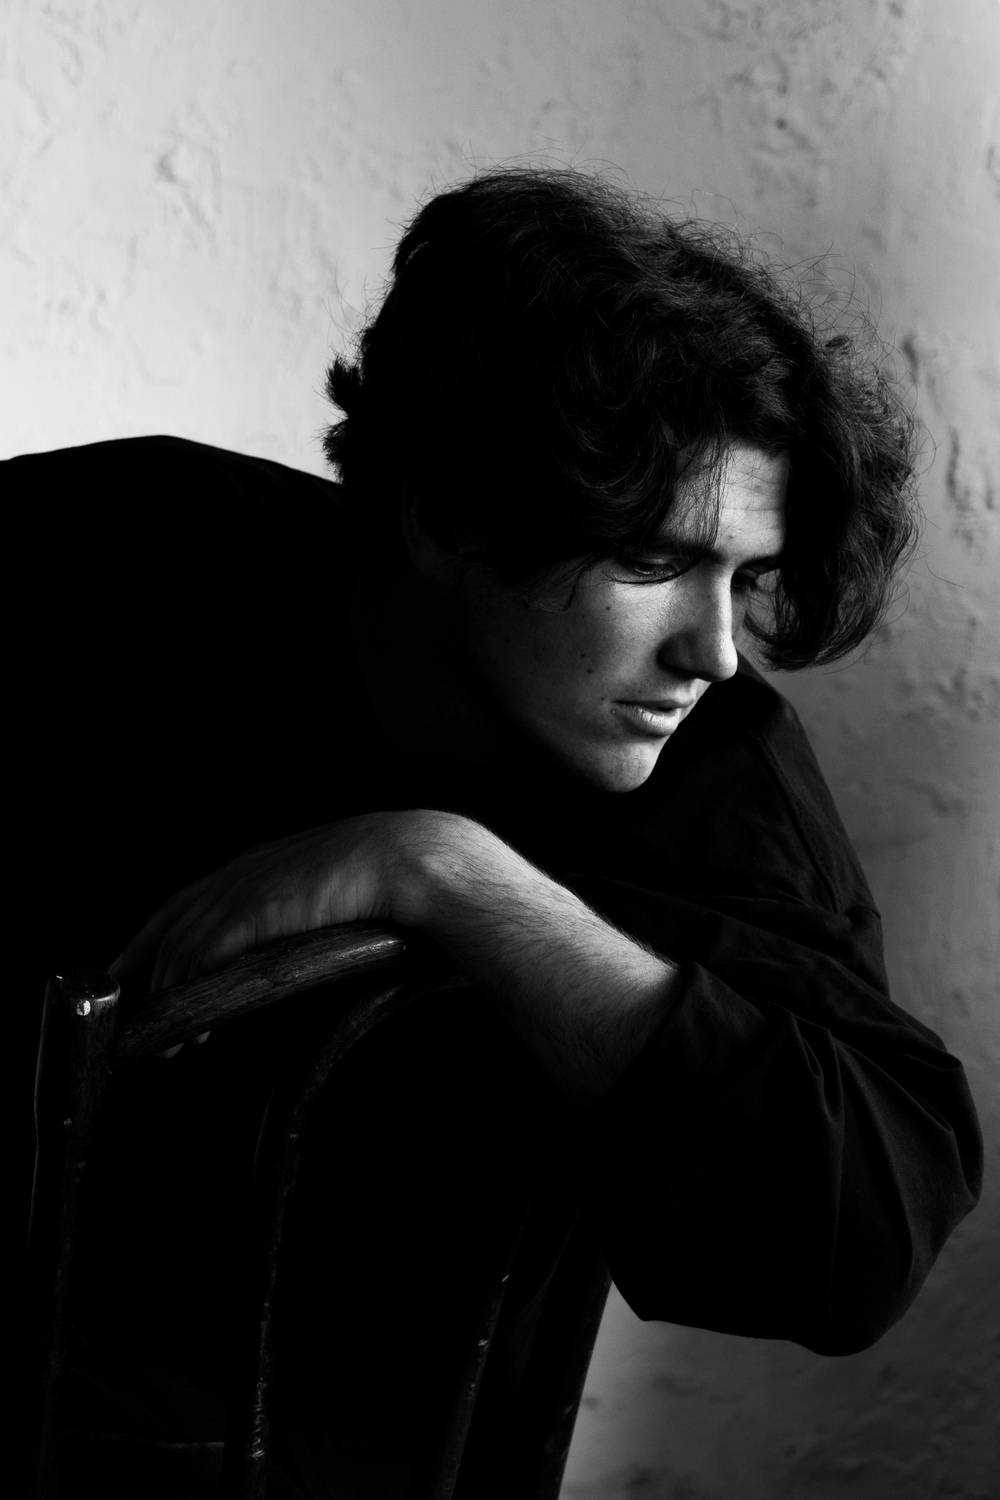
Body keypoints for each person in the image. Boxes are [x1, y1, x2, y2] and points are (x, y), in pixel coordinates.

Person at [18, 167, 982, 1498]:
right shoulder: (106, 555)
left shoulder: (716, 770)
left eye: (743, 575)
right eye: (652, 562)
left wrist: (448, 876)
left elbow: (860, 1237)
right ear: (450, 513)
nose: (713, 650)